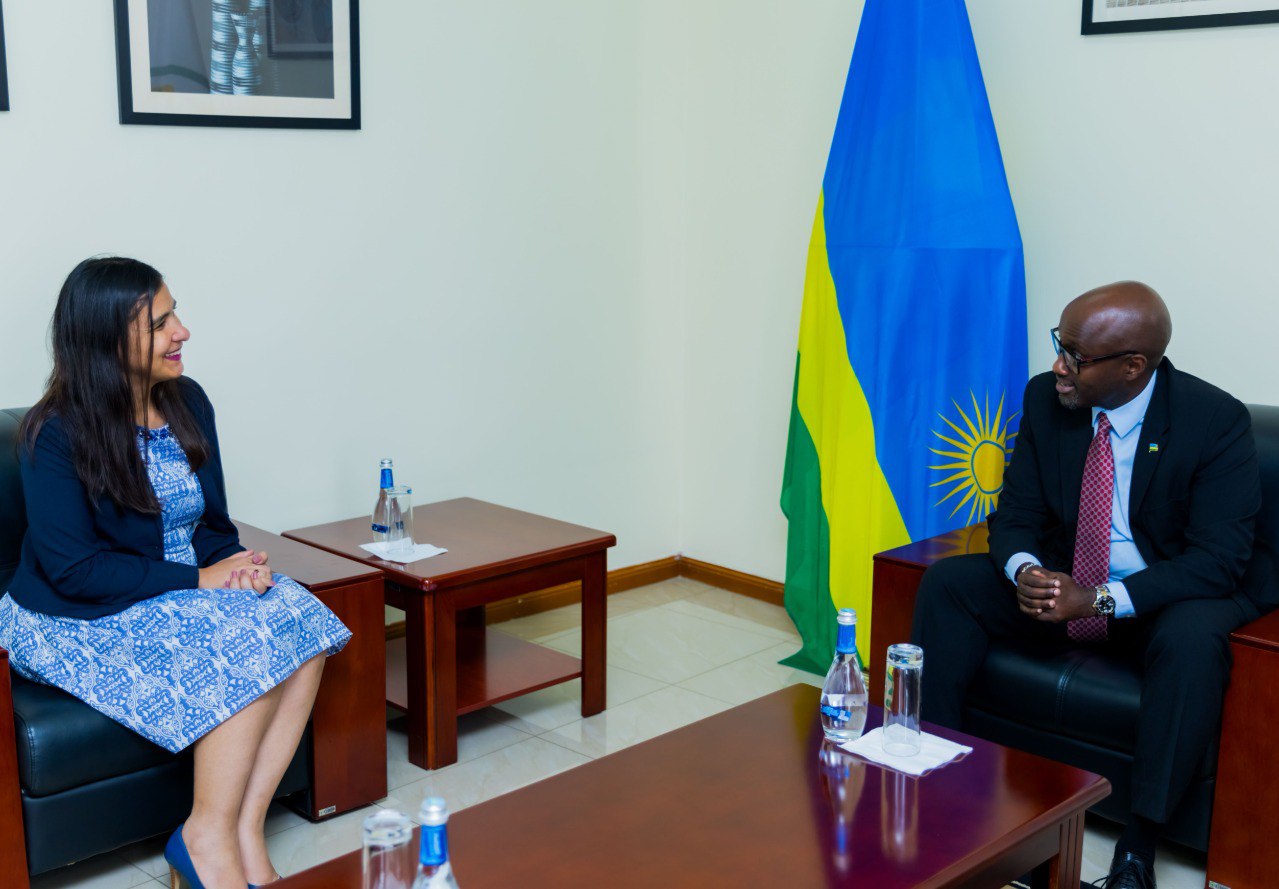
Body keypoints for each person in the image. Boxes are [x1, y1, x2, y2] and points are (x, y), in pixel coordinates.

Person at [0, 257, 353, 889]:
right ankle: (204, 840)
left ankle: (244, 832)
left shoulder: (187, 402)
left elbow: (211, 525)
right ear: (107, 341)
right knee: (246, 638)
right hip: (71, 613)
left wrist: (237, 567)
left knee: (299, 613)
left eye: (175, 314)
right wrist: (200, 583)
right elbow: (75, 570)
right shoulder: (54, 433)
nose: (181, 332)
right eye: (160, 324)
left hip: (169, 591)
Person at [911, 281, 1277, 889]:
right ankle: (937, 782)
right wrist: (1027, 572)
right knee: (951, 584)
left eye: (1075, 357)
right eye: (1060, 344)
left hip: (1159, 600)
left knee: (1192, 638)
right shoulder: (1046, 399)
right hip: (1068, 582)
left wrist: (1100, 600)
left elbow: (1217, 561)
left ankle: (1138, 846)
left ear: (1133, 366)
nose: (1058, 366)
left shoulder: (1214, 421)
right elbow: (1016, 513)